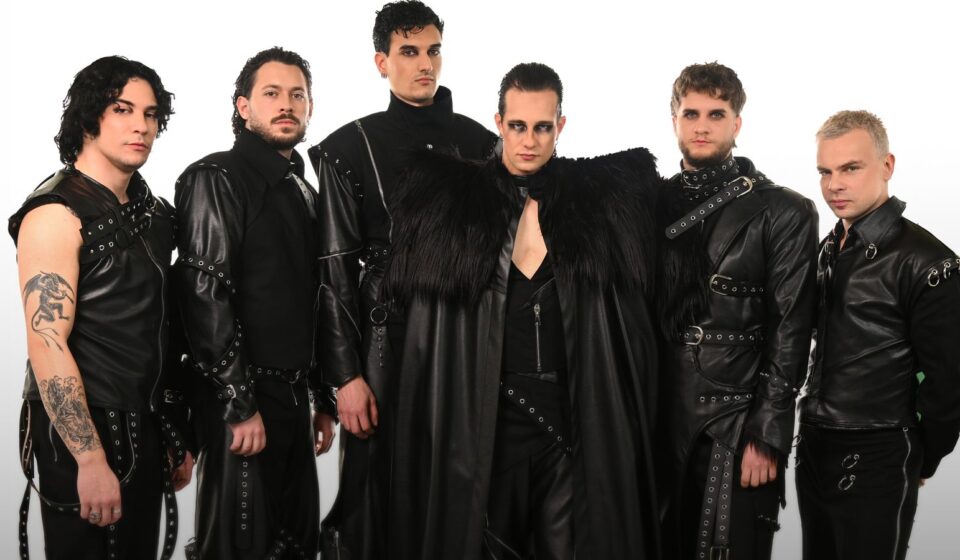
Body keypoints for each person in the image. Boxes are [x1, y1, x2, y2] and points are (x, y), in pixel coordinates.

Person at [380, 62, 661, 559]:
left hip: (567, 424)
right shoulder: (454, 210)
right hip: (489, 423)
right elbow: (427, 337)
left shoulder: (598, 209)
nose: (529, 141)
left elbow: (629, 330)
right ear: (498, 122)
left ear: (561, 125)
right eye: (517, 126)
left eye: (542, 127)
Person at [308, 1, 496, 556]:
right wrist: (345, 376)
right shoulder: (347, 148)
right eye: (409, 52)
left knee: (463, 488)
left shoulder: (482, 144)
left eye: (433, 51)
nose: (424, 64)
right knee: (377, 492)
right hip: (384, 344)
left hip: (466, 343)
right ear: (381, 62)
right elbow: (334, 269)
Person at [9, 55, 194, 560]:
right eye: (123, 109)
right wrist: (89, 458)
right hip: (81, 429)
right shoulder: (54, 213)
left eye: (151, 114)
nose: (142, 126)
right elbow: (46, 343)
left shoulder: (156, 215)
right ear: (90, 118)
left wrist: (174, 430)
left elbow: (162, 328)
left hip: (146, 423)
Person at [174, 47, 334, 559]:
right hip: (242, 401)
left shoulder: (304, 192)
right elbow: (205, 295)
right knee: (238, 548)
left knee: (297, 546)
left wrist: (322, 399)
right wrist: (239, 404)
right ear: (243, 106)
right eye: (271, 94)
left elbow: (312, 298)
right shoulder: (216, 177)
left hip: (292, 398)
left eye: (297, 95)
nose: (287, 105)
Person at [655, 62, 818, 560]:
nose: (702, 126)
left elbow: (792, 329)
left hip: (733, 422)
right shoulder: (649, 205)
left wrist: (767, 434)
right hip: (657, 420)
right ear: (675, 120)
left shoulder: (784, 211)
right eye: (691, 114)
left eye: (716, 114)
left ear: (737, 123)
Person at [796, 110, 960, 560]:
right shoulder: (829, 247)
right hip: (814, 444)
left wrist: (924, 456)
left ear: (887, 166)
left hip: (880, 450)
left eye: (850, 168)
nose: (834, 185)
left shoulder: (928, 262)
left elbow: (948, 383)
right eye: (825, 172)